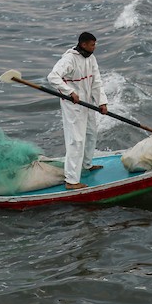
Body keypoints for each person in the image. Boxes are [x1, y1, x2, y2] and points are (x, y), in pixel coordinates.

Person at [48, 31, 108, 189]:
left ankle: (86, 165)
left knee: (91, 133)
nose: (95, 47)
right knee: (76, 140)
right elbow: (53, 77)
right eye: (93, 44)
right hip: (73, 106)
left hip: (87, 103)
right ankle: (71, 181)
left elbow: (97, 82)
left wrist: (102, 102)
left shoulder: (91, 58)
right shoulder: (69, 59)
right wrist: (69, 92)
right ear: (83, 44)